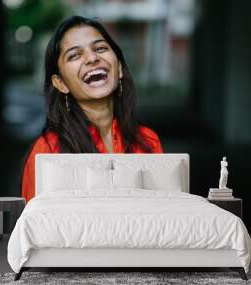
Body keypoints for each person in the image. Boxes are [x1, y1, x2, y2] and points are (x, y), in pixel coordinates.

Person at [21, 15, 164, 203]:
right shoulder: (47, 150)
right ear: (61, 83)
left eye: (100, 48)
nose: (92, 58)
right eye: (74, 55)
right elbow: (36, 225)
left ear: (119, 68)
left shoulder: (148, 140)